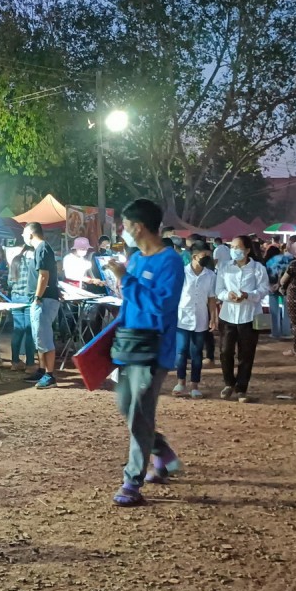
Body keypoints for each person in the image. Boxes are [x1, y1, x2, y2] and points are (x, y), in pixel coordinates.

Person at [103, 200, 184, 507]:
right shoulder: (135, 259)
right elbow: (130, 302)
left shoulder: (170, 262)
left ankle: (132, 481)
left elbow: (160, 307)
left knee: (139, 412)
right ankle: (161, 452)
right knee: (128, 406)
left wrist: (127, 279)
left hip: (154, 349)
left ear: (138, 226)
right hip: (128, 346)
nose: (123, 230)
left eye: (125, 224)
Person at [216, 235, 269, 403]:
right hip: (228, 315)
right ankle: (228, 383)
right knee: (225, 351)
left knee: (246, 354)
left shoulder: (257, 268)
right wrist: (228, 295)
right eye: (232, 247)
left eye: (237, 248)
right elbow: (219, 290)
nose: (234, 251)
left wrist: (248, 295)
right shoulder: (224, 267)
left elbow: (263, 289)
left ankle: (241, 388)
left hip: (250, 316)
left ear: (247, 250)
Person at [173, 242, 218, 400]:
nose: (208, 259)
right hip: (182, 318)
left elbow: (211, 299)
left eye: (209, 256)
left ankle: (194, 385)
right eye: (204, 256)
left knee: (197, 353)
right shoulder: (182, 273)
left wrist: (213, 318)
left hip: (201, 318)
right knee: (181, 351)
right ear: (194, 256)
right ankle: (180, 382)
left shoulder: (211, 275)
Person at [22, 223, 61, 389]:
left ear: (31, 234)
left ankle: (49, 375)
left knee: (44, 337)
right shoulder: (40, 249)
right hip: (41, 299)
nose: (22, 237)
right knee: (39, 336)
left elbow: (44, 275)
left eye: (24, 233)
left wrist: (38, 296)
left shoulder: (42, 248)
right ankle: (42, 369)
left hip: (44, 300)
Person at [7, 245, 35, 370]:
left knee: (18, 330)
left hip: (15, 299)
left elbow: (9, 282)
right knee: (30, 331)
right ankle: (30, 364)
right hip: (29, 299)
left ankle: (15, 362)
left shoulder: (15, 261)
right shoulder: (33, 262)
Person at [264, 243, 290, 340]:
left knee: (274, 311)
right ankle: (287, 332)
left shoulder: (268, 262)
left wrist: (271, 286)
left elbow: (265, 276)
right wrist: (280, 284)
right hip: (285, 288)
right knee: (287, 312)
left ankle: (275, 332)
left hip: (272, 287)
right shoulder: (286, 259)